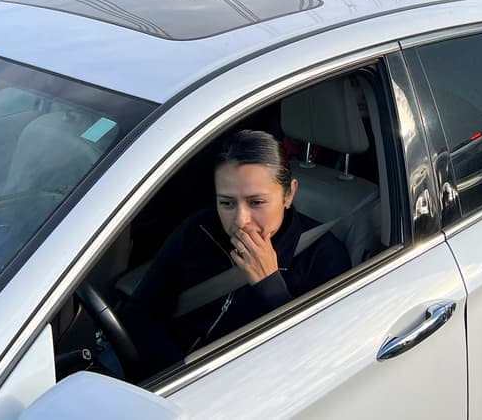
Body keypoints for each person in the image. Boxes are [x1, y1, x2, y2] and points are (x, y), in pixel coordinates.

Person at [123, 129, 351, 376]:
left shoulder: (324, 255)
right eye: (227, 203)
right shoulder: (200, 229)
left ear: (288, 194)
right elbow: (139, 312)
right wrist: (179, 371)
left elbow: (321, 358)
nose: (241, 220)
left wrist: (270, 286)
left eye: (256, 202)